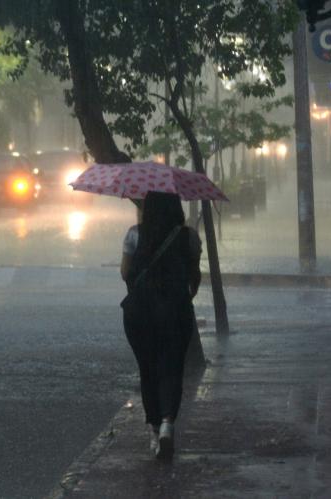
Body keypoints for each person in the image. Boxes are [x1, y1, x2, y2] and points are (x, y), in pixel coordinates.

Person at [119, 192, 202, 459]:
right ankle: (167, 422)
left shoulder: (134, 234)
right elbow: (194, 277)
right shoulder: (188, 237)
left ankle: (154, 429)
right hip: (175, 310)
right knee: (172, 366)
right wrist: (184, 297)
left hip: (139, 312)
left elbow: (124, 274)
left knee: (148, 368)